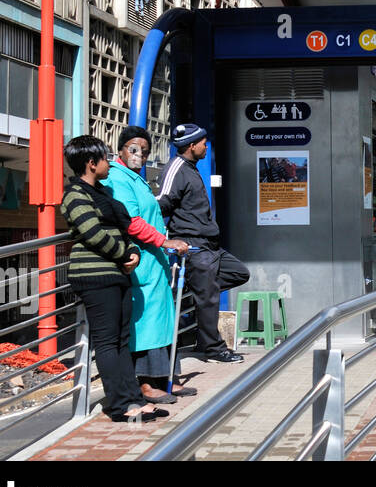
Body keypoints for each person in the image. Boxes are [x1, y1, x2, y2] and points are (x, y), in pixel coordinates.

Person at [59, 135, 165, 423]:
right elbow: (92, 233)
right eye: (104, 158)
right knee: (107, 342)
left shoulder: (103, 192)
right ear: (91, 164)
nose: (108, 163)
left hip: (116, 272)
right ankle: (119, 405)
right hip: (95, 276)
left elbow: (124, 226)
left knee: (121, 339)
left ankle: (133, 398)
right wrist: (124, 253)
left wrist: (131, 251)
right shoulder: (74, 195)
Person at [103, 126, 195, 403]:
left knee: (162, 319)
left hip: (154, 260)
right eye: (133, 148)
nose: (139, 154)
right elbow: (131, 221)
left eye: (144, 150)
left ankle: (165, 378)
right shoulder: (118, 179)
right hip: (141, 260)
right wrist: (164, 242)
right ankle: (146, 383)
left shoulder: (135, 179)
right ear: (120, 149)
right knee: (146, 324)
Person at [158, 123, 250, 363]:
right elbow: (161, 202)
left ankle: (198, 291)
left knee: (239, 273)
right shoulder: (177, 167)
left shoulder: (192, 168)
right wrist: (165, 239)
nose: (205, 146)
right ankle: (213, 349)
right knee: (208, 299)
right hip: (194, 247)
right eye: (202, 142)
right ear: (191, 145)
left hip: (212, 248)